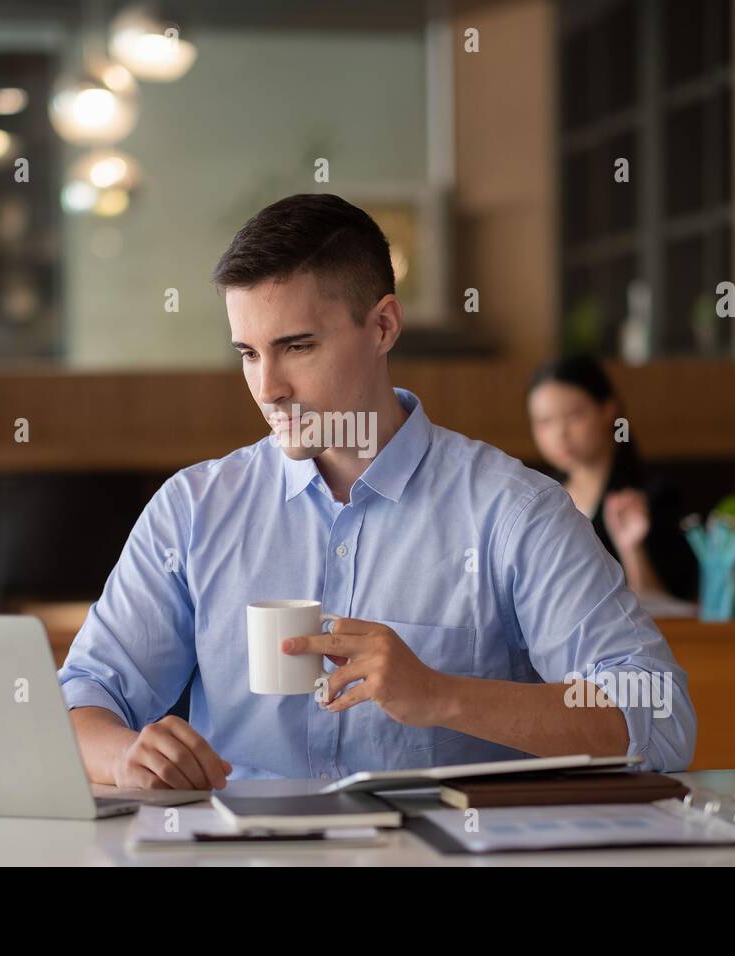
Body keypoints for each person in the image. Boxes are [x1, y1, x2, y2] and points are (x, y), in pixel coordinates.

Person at [59, 194, 695, 790]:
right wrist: (126, 755)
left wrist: (444, 695)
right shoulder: (193, 511)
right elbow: (79, 695)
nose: (268, 387)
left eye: (297, 346)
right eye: (248, 353)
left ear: (384, 325)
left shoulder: (513, 511)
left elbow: (659, 715)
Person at [526, 355, 697, 603]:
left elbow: (669, 612)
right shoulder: (541, 501)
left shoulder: (655, 498)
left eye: (574, 416)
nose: (560, 434)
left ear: (607, 410)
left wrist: (632, 549)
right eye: (544, 422)